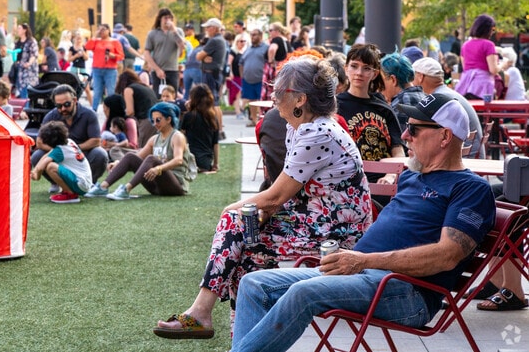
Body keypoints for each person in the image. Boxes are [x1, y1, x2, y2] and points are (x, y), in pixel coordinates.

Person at [230, 94, 496, 352]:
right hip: (360, 276)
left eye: (413, 130)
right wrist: (360, 262)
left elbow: (447, 256)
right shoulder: (411, 177)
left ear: (445, 136)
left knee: (303, 293)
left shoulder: (471, 189)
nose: (404, 136)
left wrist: (365, 260)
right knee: (254, 284)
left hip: (408, 292)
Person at [153, 57, 372, 340]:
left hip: (336, 239)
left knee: (234, 220)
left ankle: (201, 314)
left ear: (300, 100)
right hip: (314, 222)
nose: (273, 96)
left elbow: (276, 196)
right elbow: (282, 195)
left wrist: (230, 212)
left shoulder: (317, 131)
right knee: (247, 253)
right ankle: (240, 340)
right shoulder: (302, 127)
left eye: (280, 91)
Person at [86, 102, 193, 200]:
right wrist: (118, 163)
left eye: (158, 120)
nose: (155, 123)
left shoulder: (177, 136)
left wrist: (158, 168)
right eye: (153, 120)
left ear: (169, 119)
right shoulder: (154, 139)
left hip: (176, 186)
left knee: (151, 159)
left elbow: (178, 160)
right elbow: (137, 157)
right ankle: (102, 187)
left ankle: (126, 189)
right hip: (156, 187)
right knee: (130, 156)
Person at [337, 44, 405, 187]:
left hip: (385, 184)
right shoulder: (334, 107)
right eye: (354, 66)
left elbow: (398, 150)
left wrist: (391, 176)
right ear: (346, 69)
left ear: (374, 74)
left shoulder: (384, 109)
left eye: (366, 68)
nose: (359, 72)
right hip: (349, 184)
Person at [30, 84, 108, 193]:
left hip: (82, 155)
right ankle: (56, 182)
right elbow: (39, 142)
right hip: (58, 155)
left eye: (67, 104)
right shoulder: (51, 115)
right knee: (37, 155)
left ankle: (90, 184)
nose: (63, 109)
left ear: (75, 100)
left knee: (100, 153)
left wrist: (72, 150)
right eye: (59, 106)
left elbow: (96, 141)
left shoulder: (89, 114)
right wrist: (61, 151)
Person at [412, 57, 484, 158]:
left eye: (412, 77)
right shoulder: (446, 93)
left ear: (420, 77)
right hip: (472, 156)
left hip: (465, 161)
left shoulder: (438, 100)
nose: (411, 82)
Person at [31, 121, 93, 204]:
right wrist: (35, 171)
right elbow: (46, 156)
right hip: (84, 183)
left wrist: (36, 175)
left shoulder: (60, 150)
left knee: (51, 167)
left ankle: (70, 195)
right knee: (52, 165)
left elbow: (43, 164)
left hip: (81, 185)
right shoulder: (69, 141)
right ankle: (66, 191)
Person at [143, 8, 186, 97]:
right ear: (160, 19)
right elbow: (147, 52)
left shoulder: (178, 31)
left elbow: (182, 46)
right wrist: (157, 69)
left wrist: (174, 30)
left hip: (172, 69)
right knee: (159, 96)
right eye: (166, 18)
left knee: (172, 95)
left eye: (170, 18)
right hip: (158, 70)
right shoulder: (153, 33)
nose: (168, 20)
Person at [456, 14, 499, 99]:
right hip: (483, 87)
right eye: (492, 29)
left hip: (466, 85)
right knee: (484, 111)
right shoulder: (489, 45)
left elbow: (465, 68)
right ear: (487, 29)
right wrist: (503, 65)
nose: (492, 32)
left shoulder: (465, 45)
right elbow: (493, 70)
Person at [380, 52, 425, 127]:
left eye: (381, 81)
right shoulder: (426, 98)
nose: (379, 87)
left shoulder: (397, 107)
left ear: (393, 80)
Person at [115, 69, 158, 148]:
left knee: (143, 148)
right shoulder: (145, 87)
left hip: (146, 120)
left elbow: (130, 111)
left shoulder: (128, 89)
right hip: (157, 118)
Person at [85, 24, 124, 110]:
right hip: (97, 69)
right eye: (99, 29)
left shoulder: (115, 42)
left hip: (110, 69)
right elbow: (87, 46)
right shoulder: (96, 41)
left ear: (108, 30)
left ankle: (111, 109)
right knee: (97, 91)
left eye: (103, 29)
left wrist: (113, 56)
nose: (101, 31)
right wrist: (95, 35)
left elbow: (121, 56)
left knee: (110, 91)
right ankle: (94, 109)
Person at [181, 84, 219, 172]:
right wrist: (216, 164)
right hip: (205, 163)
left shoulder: (189, 116)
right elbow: (215, 143)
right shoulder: (213, 118)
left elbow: (180, 137)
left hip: (189, 160)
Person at [239, 29, 268, 126]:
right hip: (248, 79)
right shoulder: (248, 49)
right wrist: (242, 76)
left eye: (254, 35)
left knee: (262, 101)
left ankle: (262, 121)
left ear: (260, 35)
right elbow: (241, 63)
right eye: (251, 35)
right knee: (251, 100)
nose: (252, 37)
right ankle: (254, 120)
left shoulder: (266, 48)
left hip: (261, 80)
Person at [101, 93, 139, 161]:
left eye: (105, 108)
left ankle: (123, 163)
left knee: (114, 150)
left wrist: (114, 144)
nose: (104, 110)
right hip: (109, 149)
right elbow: (100, 138)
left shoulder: (129, 121)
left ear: (112, 109)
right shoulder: (108, 121)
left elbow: (133, 145)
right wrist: (104, 144)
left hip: (124, 151)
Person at [263, 22, 292, 101]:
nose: (269, 32)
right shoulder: (286, 40)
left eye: (270, 30)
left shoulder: (277, 39)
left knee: (270, 89)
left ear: (277, 31)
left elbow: (272, 49)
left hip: (275, 68)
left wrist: (271, 61)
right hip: (285, 68)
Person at [13, 23, 39, 99]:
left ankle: (26, 107)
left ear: (25, 30)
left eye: (19, 28)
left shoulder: (31, 41)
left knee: (27, 89)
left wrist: (29, 63)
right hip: (19, 69)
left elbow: (34, 54)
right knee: (20, 89)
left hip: (29, 70)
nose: (18, 30)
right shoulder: (17, 42)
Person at [228, 33, 249, 121]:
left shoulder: (247, 51)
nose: (242, 43)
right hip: (235, 76)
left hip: (245, 76)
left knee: (247, 95)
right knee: (237, 95)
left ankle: (242, 108)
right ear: (236, 42)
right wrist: (230, 73)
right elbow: (229, 63)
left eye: (244, 41)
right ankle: (238, 112)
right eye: (240, 41)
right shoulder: (233, 51)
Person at [182, 37, 205, 101]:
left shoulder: (195, 49)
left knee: (187, 91)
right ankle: (200, 106)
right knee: (200, 90)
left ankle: (184, 107)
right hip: (197, 69)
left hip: (187, 70)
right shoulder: (205, 49)